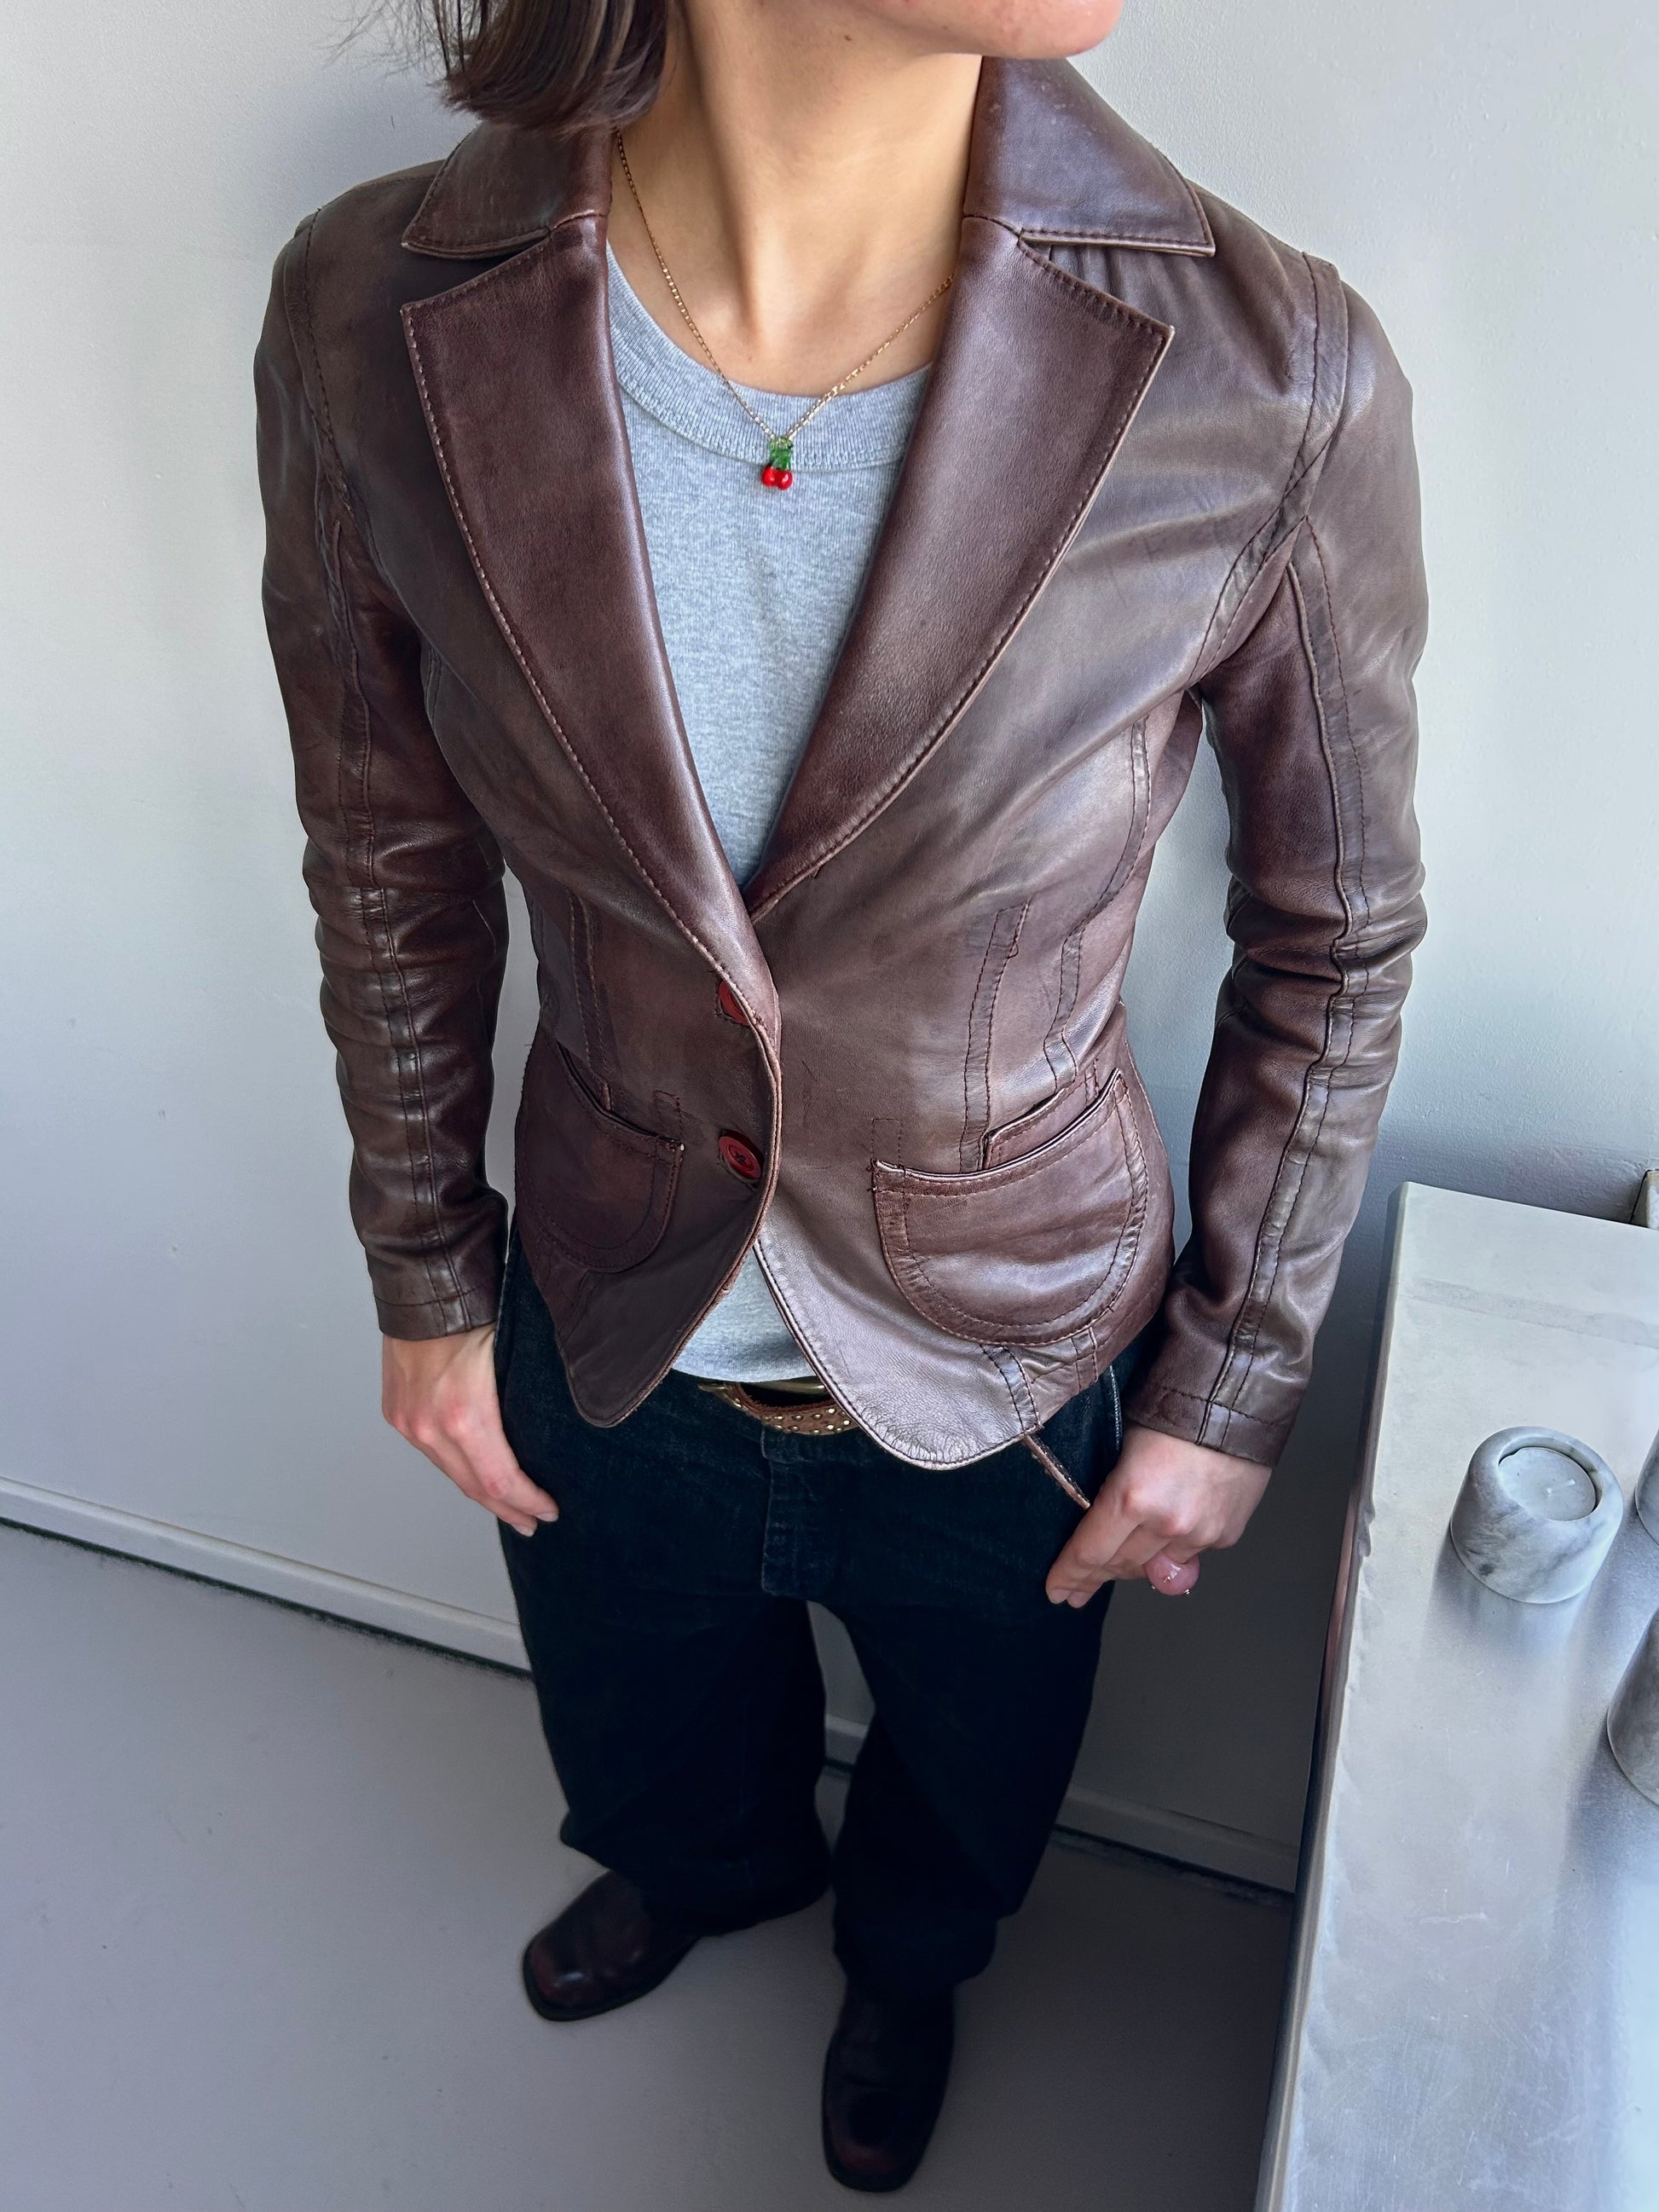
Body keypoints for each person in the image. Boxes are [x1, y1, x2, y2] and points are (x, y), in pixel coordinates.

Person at [255, 0, 1426, 2189]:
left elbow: (1333, 932)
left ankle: (904, 1964)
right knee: (641, 1718)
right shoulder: (374, 309)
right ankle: (704, 1876)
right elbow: (384, 851)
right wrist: (422, 1270)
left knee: (971, 1776)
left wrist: (1231, 1380)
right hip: (602, 1298)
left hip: (1020, 1349)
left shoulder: (1265, 377)